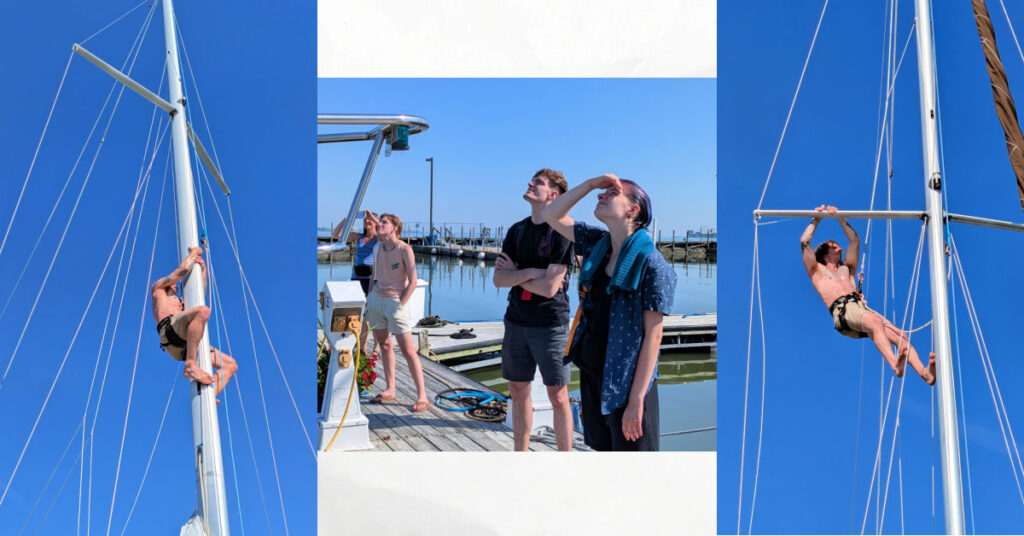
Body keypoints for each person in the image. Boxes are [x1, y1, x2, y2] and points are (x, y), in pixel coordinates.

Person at [542, 173, 676, 451]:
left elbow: (653, 337)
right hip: (593, 373)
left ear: (632, 210)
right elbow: (551, 214)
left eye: (612, 193)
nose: (601, 196)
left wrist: (636, 401)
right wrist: (591, 184)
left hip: (628, 385)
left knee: (635, 473)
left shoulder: (652, 264)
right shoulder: (596, 244)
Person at [801, 205, 936, 384]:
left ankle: (925, 374)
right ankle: (894, 363)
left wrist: (840, 217)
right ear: (825, 252)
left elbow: (855, 241)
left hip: (858, 310)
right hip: (843, 312)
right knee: (875, 322)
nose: (840, 250)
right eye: (835, 247)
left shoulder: (847, 269)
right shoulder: (816, 270)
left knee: (901, 337)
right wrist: (816, 219)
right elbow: (804, 242)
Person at [493, 168, 574, 451]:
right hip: (516, 321)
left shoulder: (562, 231)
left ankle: (565, 459)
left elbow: (551, 289)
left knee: (559, 396)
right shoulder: (517, 231)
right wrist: (529, 272)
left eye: (537, 183)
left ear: (553, 195)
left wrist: (517, 274)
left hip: (551, 324)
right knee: (517, 389)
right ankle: (521, 454)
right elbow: (498, 279)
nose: (529, 184)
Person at [151, 246, 238, 400]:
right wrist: (194, 254)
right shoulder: (158, 288)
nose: (177, 286)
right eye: (175, 284)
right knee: (203, 311)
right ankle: (191, 364)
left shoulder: (180, 303)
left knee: (230, 365)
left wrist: (203, 269)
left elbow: (199, 294)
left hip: (184, 343)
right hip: (169, 331)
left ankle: (210, 399)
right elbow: (180, 272)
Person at [365, 213, 430, 412]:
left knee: (408, 350)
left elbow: (412, 281)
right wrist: (369, 299)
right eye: (380, 221)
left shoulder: (405, 249)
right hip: (376, 300)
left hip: (395, 301)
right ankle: (390, 389)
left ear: (395, 227)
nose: (380, 224)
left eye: (384, 222)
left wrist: (400, 304)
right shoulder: (377, 248)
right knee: (384, 345)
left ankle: (422, 395)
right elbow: (373, 277)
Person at [332, 209, 379, 355]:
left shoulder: (379, 238)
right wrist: (346, 220)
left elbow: (387, 233)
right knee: (361, 314)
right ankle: (363, 345)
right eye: (365, 219)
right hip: (357, 278)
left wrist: (374, 218)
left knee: (374, 314)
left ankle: (376, 345)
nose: (366, 221)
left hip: (371, 279)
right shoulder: (358, 237)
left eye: (369, 219)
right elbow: (335, 235)